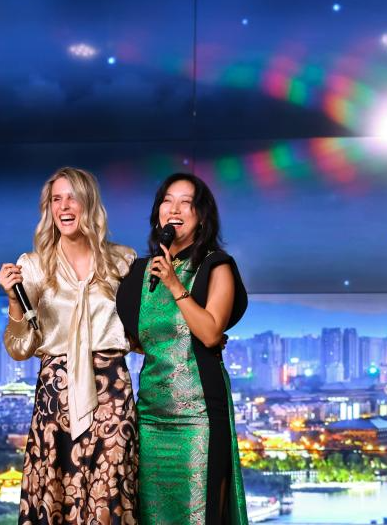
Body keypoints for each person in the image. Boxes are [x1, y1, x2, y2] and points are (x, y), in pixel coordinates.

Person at [0, 166, 138, 524]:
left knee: (110, 495)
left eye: (72, 198)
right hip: (55, 397)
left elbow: (141, 332)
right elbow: (19, 348)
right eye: (56, 199)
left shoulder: (123, 261)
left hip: (111, 394)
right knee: (54, 493)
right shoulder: (32, 266)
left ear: (88, 203)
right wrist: (14, 301)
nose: (64, 206)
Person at [117, 172, 249, 524]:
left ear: (201, 216)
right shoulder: (139, 272)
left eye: (185, 203)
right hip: (150, 416)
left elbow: (210, 334)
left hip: (199, 417)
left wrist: (175, 285)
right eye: (167, 201)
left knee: (200, 513)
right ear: (157, 213)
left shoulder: (215, 265)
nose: (174, 209)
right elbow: (137, 340)